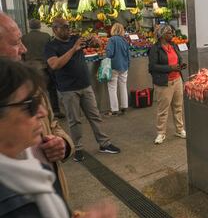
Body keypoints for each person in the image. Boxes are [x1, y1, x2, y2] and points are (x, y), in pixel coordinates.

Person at [0, 58, 118, 218]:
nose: (41, 113)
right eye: (31, 105)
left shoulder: (31, 164)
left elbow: (53, 124)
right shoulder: (11, 203)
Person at [0, 12, 74, 202]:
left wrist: (63, 144)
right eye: (16, 43)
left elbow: (52, 123)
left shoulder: (30, 87)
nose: (23, 49)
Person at [45, 18, 121, 162]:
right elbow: (54, 65)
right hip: (68, 90)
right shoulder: (50, 46)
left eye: (69, 26)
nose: (68, 29)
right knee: (75, 121)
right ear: (55, 29)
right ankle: (78, 149)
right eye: (65, 27)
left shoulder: (75, 38)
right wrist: (74, 49)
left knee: (95, 116)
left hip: (85, 86)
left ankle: (104, 143)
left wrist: (95, 41)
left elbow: (96, 45)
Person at [148, 24, 186, 145]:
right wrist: (170, 68)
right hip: (164, 83)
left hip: (177, 80)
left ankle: (179, 130)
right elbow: (152, 67)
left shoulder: (173, 45)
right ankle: (161, 133)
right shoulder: (155, 49)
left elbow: (178, 58)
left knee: (178, 107)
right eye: (169, 32)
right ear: (162, 35)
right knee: (163, 110)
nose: (172, 34)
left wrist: (181, 64)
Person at [22, 19, 62, 117]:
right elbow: (51, 50)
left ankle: (37, 111)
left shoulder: (24, 37)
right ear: (39, 26)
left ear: (30, 26)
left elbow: (22, 54)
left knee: (35, 91)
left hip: (30, 68)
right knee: (51, 89)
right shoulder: (46, 36)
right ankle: (55, 111)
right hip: (44, 66)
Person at [106, 23, 130, 116]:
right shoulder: (124, 40)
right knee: (123, 86)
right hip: (124, 67)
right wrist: (128, 65)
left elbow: (109, 53)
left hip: (114, 66)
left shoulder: (112, 40)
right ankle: (124, 106)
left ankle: (114, 109)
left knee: (112, 88)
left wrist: (105, 53)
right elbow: (128, 55)